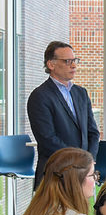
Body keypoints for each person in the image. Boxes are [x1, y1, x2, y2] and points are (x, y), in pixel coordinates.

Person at [27, 41, 100, 189]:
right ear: (51, 65)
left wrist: (88, 162)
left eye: (74, 61)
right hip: (56, 175)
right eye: (67, 61)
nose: (73, 65)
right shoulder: (40, 96)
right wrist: (77, 162)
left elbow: (93, 132)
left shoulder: (81, 93)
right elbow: (47, 139)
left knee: (80, 213)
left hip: (82, 175)